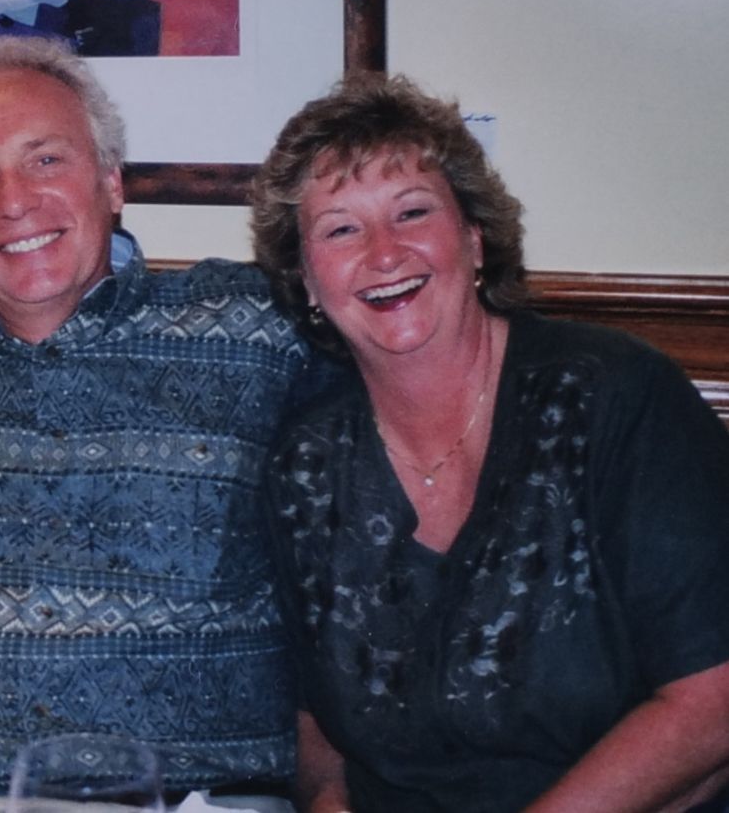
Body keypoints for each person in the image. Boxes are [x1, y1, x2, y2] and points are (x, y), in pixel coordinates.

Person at [250, 74, 729, 812]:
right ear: (306, 280)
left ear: (474, 239)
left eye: (412, 212)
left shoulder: (616, 397)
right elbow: (316, 723)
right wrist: (326, 802)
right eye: (340, 229)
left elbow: (711, 697)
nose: (384, 252)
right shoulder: (305, 462)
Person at [0, 36, 312, 801]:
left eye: (45, 160)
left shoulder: (252, 332)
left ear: (111, 183)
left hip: (199, 801)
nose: (12, 202)